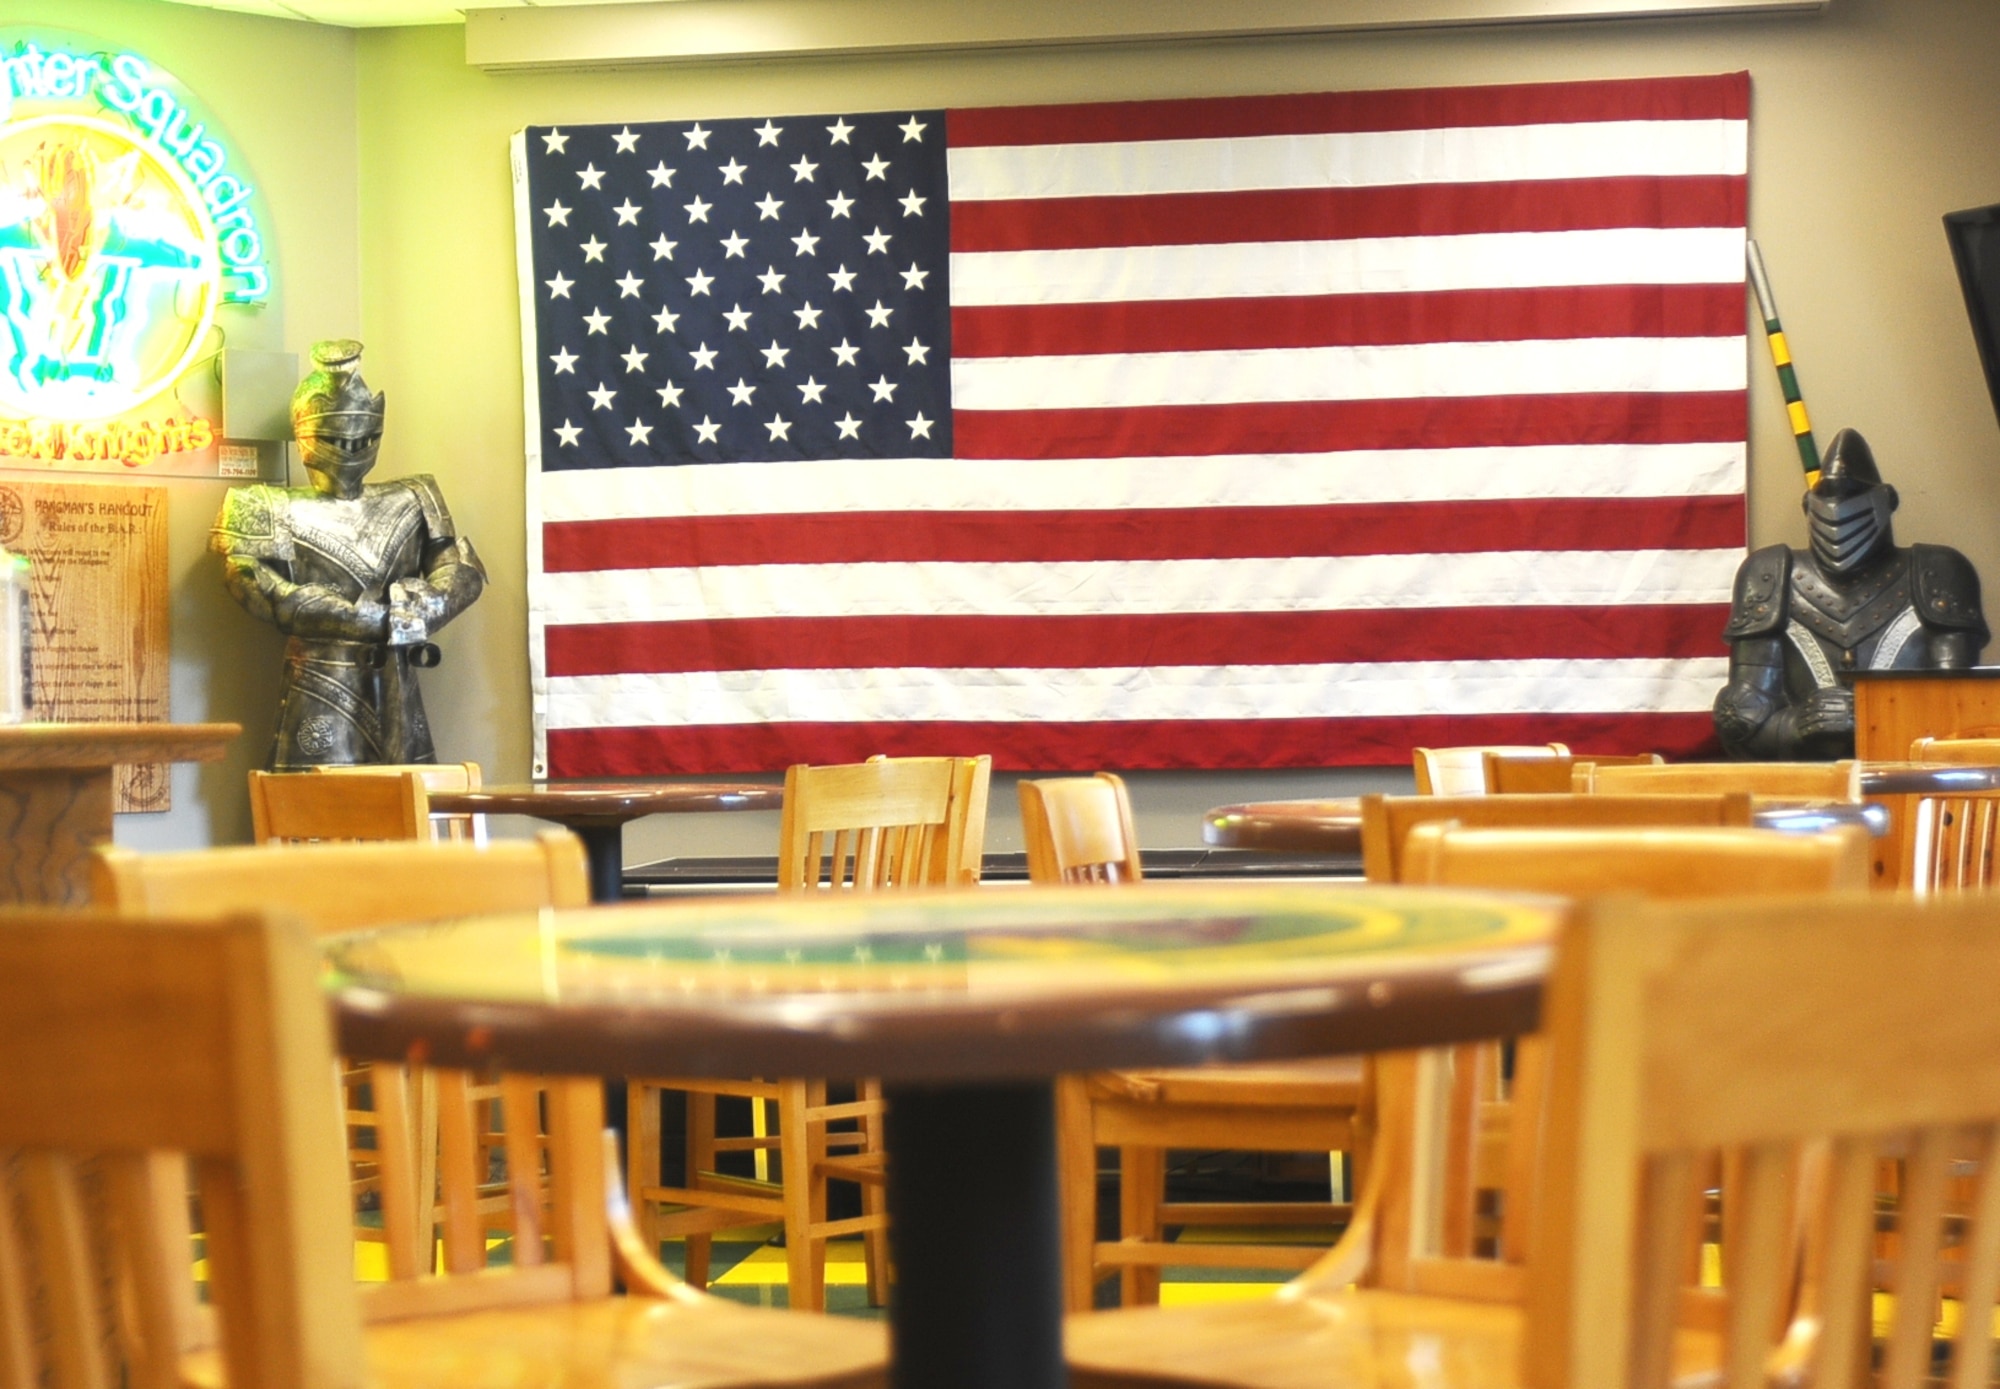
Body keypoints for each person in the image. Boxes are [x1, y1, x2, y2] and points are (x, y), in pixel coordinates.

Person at [212, 340, 484, 768]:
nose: (351, 449)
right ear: (305, 434)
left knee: (409, 798)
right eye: (335, 439)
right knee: (315, 797)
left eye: (364, 439)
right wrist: (355, 615)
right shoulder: (263, 504)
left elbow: (459, 566)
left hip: (397, 673)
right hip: (321, 675)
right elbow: (249, 579)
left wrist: (426, 606)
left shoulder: (413, 495)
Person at [1714, 428, 1986, 759]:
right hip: (1807, 780)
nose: (1837, 510)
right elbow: (1739, 718)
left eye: (1854, 494)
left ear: (1888, 500)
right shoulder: (1770, 573)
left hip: (1911, 776)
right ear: (1807, 505)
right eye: (1826, 495)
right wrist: (1798, 725)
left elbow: (1959, 709)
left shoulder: (1938, 570)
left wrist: (1872, 717)